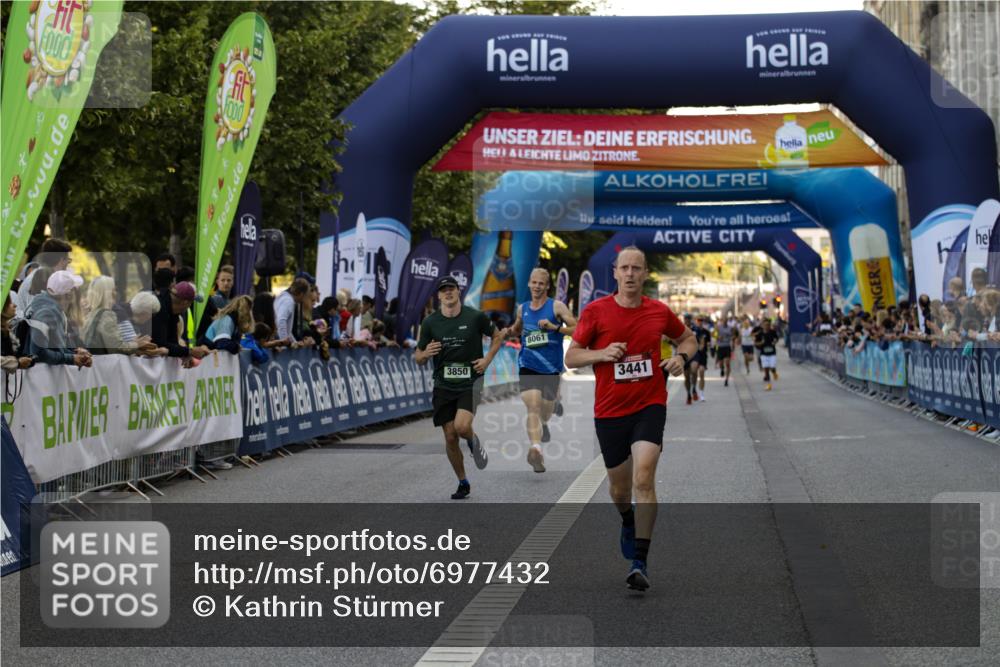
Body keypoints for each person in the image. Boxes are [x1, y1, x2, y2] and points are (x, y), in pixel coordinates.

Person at [565, 247, 696, 591]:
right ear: (616, 272)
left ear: (645, 273)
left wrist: (681, 357)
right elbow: (571, 357)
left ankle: (640, 560)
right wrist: (601, 353)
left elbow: (688, 338)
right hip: (609, 411)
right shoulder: (596, 312)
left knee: (644, 477)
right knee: (621, 490)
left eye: (637, 268)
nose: (630, 274)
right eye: (624, 268)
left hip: (649, 404)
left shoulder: (658, 311)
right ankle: (626, 519)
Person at [415, 275, 505, 499]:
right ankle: (463, 482)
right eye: (443, 290)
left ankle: (473, 441)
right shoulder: (430, 323)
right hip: (443, 385)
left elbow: (497, 336)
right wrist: (426, 353)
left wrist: (487, 360)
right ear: (439, 295)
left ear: (458, 291)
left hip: (470, 381)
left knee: (462, 427)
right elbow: (418, 356)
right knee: (450, 437)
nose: (448, 293)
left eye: (451, 289)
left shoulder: (475, 317)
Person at [505, 268, 578, 473]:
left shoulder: (556, 306)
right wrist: (509, 331)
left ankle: (544, 423)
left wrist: (555, 328)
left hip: (551, 368)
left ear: (547, 286)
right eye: (533, 282)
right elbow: (518, 328)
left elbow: (578, 328)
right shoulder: (523, 308)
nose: (536, 286)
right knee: (533, 407)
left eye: (541, 283)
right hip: (527, 365)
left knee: (545, 409)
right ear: (529, 283)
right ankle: (536, 449)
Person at [24, 270, 92, 368]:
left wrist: (75, 352)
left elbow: (54, 348)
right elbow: (38, 353)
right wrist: (72, 358)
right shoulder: (46, 313)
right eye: (74, 289)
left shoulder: (52, 310)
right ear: (69, 294)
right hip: (39, 379)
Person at [81, 276, 154, 355]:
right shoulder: (106, 314)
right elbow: (115, 348)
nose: (116, 293)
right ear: (107, 293)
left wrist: (133, 343)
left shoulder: (90, 314)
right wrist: (137, 344)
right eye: (114, 290)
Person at [151, 281, 209, 364]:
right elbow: (160, 343)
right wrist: (189, 351)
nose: (190, 306)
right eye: (191, 302)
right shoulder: (160, 309)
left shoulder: (171, 310)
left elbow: (172, 341)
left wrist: (184, 354)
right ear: (185, 302)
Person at [15, 238, 72, 318]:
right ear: (61, 260)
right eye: (68, 261)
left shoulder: (41, 276)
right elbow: (37, 316)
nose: (68, 265)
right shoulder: (41, 279)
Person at [274, 278, 313, 346]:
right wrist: (285, 342)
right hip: (279, 343)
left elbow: (287, 329)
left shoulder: (284, 297)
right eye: (305, 296)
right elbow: (281, 321)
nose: (305, 299)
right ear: (301, 294)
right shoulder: (288, 301)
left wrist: (294, 343)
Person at [755, 318, 780, 390]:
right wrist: (761, 343)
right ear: (763, 325)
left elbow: (776, 339)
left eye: (768, 325)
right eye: (765, 325)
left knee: (772, 367)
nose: (767, 326)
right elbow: (756, 343)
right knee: (766, 369)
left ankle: (774, 373)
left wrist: (774, 342)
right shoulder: (760, 334)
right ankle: (768, 384)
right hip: (763, 354)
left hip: (772, 353)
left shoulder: (773, 332)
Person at [715, 313, 738, 388]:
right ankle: (722, 369)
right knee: (721, 363)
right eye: (723, 320)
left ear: (727, 321)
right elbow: (713, 335)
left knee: (727, 363)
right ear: (722, 321)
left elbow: (735, 335)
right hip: (720, 347)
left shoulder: (730, 328)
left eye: (726, 320)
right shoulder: (718, 327)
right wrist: (718, 337)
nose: (724, 321)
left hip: (727, 347)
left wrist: (732, 338)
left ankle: (726, 380)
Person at [691, 315, 711, 402]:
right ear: (696, 321)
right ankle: (694, 387)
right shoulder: (692, 330)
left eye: (702, 320)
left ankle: (702, 393)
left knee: (702, 372)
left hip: (703, 354)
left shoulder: (706, 332)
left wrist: (710, 347)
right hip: (695, 354)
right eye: (698, 320)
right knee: (694, 370)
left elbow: (710, 343)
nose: (700, 322)